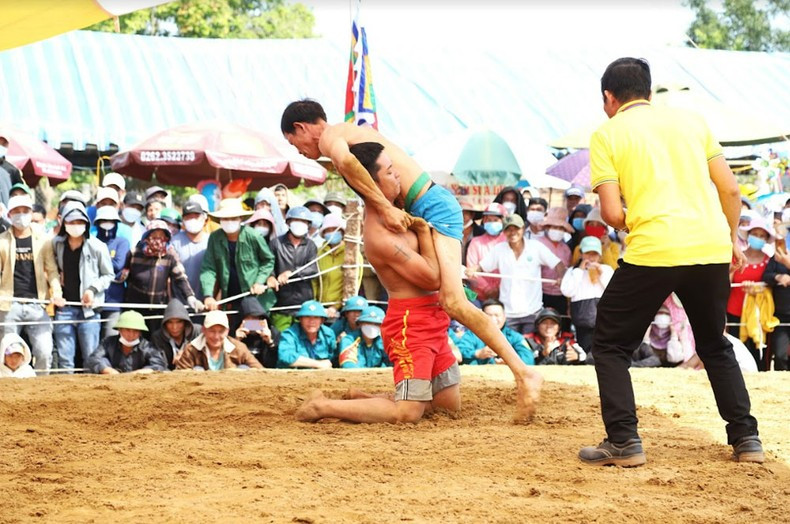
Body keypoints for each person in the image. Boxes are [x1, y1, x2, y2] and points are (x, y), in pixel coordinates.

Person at [282, 101, 542, 419]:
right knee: (450, 307)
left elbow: (347, 162)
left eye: (293, 143)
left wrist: (389, 208)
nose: (299, 151)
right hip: (423, 212)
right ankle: (370, 400)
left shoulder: (331, 136)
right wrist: (388, 207)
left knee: (455, 302)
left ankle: (523, 372)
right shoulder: (352, 136)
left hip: (430, 205)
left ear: (301, 127)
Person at [579, 57, 762, 466]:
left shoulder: (607, 134)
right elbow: (730, 191)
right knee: (715, 344)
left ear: (609, 98)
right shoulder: (692, 122)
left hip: (654, 250)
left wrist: (637, 221)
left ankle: (624, 440)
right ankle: (747, 439)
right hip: (709, 247)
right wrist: (729, 238)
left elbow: (610, 213)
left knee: (609, 343)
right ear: (647, 91)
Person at [294, 155, 460, 424]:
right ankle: (322, 407)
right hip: (411, 326)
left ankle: (362, 397)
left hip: (433, 319)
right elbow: (431, 279)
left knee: (446, 408)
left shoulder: (400, 210)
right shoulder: (380, 236)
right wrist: (424, 233)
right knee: (408, 414)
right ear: (371, 183)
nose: (398, 177)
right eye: (391, 173)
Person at [468, 213, 565, 335]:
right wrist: (472, 269)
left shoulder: (536, 247)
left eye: (516, 229)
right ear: (504, 232)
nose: (512, 232)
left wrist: (562, 277)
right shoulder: (499, 249)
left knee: (529, 350)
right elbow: (482, 267)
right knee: (508, 350)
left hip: (532, 312)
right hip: (508, 313)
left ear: (523, 229)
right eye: (508, 229)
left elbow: (558, 264)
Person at [0, 195, 63, 372]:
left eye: (25, 211)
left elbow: (52, 271)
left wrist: (56, 294)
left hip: (38, 304)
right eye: (16, 212)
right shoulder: (2, 240)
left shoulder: (43, 240)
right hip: (8, 305)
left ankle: (42, 392)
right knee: (7, 354)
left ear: (31, 212)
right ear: (10, 214)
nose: (21, 215)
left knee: (44, 352)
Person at [52, 202, 114, 371]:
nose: (75, 226)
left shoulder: (97, 246)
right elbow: (52, 269)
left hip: (89, 310)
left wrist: (92, 289)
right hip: (64, 309)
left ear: (86, 223)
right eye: (71, 222)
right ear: (63, 223)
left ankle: (90, 396)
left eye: (80, 222)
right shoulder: (56, 244)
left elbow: (109, 275)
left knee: (91, 359)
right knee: (65, 361)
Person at [199, 198, 274, 329]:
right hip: (230, 300)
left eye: (233, 218)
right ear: (220, 220)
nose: (229, 222)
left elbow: (268, 260)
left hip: (254, 299)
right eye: (226, 219)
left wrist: (260, 281)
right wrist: (208, 295)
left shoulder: (253, 236)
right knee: (233, 334)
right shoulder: (215, 238)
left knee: (253, 331)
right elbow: (208, 268)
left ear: (240, 219)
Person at [124, 220, 202, 332]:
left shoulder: (169, 255)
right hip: (135, 308)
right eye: (154, 235)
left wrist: (190, 297)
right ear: (147, 236)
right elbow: (124, 275)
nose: (158, 239)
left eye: (161, 236)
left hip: (158, 309)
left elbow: (180, 278)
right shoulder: (134, 253)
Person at [726, 216, 772, 370]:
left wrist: (758, 289)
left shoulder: (768, 261)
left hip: (758, 313)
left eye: (762, 235)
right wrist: (732, 270)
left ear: (766, 239)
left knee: (758, 348)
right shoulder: (737, 256)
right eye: (755, 234)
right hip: (734, 310)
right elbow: (726, 281)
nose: (758, 238)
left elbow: (770, 286)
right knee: (735, 348)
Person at [266, 206, 318, 331]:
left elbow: (313, 269)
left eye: (304, 222)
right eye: (296, 220)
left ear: (308, 225)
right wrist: (271, 277)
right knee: (280, 338)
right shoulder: (276, 243)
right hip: (281, 304)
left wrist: (292, 273)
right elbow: (268, 265)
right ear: (288, 222)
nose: (300, 224)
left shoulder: (310, 246)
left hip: (303, 304)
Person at [561, 236, 614, 353]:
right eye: (587, 253)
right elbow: (567, 291)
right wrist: (579, 270)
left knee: (603, 352)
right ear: (581, 254)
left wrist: (602, 274)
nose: (591, 257)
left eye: (594, 254)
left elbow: (614, 292)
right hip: (583, 319)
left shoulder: (607, 269)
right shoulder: (573, 271)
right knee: (584, 351)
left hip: (604, 321)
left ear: (600, 255)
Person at [174, 310, 262, 371]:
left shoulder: (238, 348)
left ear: (227, 331)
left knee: (244, 369)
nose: (216, 336)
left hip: (231, 391)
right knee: (197, 370)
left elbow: (260, 370)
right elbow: (179, 375)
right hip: (201, 392)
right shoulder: (191, 349)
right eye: (212, 331)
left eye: (221, 331)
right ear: (204, 330)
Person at [312, 213, 363, 315]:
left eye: (335, 229)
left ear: (342, 232)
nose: (332, 233)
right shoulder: (319, 253)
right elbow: (314, 282)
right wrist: (315, 303)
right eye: (328, 230)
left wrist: (336, 307)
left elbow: (354, 284)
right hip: (320, 307)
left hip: (342, 308)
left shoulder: (352, 254)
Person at [87, 311, 167, 374]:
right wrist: (108, 371)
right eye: (127, 330)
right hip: (111, 384)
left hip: (139, 385)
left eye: (135, 331)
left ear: (140, 332)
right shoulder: (108, 342)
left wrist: (139, 373)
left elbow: (159, 364)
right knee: (103, 361)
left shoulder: (146, 346)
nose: (131, 335)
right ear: (120, 330)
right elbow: (92, 359)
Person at [458, 299, 534, 365]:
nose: (493, 319)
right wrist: (478, 353)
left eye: (497, 315)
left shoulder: (515, 337)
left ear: (504, 317)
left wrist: (509, 362)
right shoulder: (471, 335)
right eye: (489, 315)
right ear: (482, 316)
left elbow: (529, 358)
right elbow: (460, 352)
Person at [93, 206, 130, 339]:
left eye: (111, 221)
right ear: (97, 223)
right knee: (91, 342)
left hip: (114, 300)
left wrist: (97, 266)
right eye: (103, 221)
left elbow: (118, 264)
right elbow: (87, 267)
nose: (107, 225)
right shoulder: (91, 242)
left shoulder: (122, 243)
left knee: (110, 339)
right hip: (93, 300)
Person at [537, 207, 573, 326]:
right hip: (541, 292)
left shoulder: (566, 249)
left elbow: (568, 270)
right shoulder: (538, 244)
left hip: (560, 294)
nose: (557, 230)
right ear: (547, 228)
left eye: (560, 228)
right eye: (554, 227)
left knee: (561, 324)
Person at [465, 202, 507, 302]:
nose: (492, 223)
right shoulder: (476, 242)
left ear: (503, 221)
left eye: (495, 220)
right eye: (489, 220)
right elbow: (471, 269)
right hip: (480, 296)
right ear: (484, 221)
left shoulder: (508, 242)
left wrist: (499, 289)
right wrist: (487, 289)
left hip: (505, 294)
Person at [276, 300, 337, 369]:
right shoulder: (290, 334)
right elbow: (286, 356)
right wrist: (318, 364)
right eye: (307, 317)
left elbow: (332, 357)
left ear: (322, 320)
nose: (311, 321)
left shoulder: (328, 334)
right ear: (300, 319)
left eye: (316, 317)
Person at [170, 201, 210, 303]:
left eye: (196, 216)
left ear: (204, 219)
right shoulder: (174, 242)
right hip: (180, 302)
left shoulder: (211, 241)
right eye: (188, 217)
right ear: (183, 221)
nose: (192, 220)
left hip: (206, 302)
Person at [762, 243, 790, 371]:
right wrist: (778, 277)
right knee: (779, 354)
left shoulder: (784, 259)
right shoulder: (778, 257)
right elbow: (766, 276)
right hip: (780, 316)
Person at [150, 299, 198, 370]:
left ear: (185, 322)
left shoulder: (196, 332)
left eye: (179, 322)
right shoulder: (158, 337)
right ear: (165, 323)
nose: (174, 327)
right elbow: (159, 364)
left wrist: (187, 354)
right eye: (170, 322)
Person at [234, 296, 279, 368]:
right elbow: (228, 361)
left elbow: (276, 363)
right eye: (248, 318)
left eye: (255, 318)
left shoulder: (273, 332)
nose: (252, 322)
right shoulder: (234, 332)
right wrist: (236, 341)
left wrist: (270, 342)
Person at [457, 196, 484, 265]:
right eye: (459, 212)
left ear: (472, 215)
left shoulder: (481, 232)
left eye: (465, 213)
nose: (462, 215)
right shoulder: (449, 231)